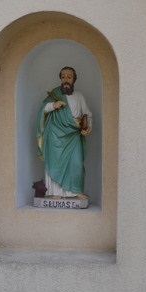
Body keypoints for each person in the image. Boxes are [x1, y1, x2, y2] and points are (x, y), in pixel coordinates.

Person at [36, 66, 92, 199]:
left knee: (77, 163)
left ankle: (76, 191)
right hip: (55, 134)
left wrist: (88, 127)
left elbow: (87, 114)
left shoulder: (79, 96)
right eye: (63, 77)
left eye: (69, 77)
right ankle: (56, 193)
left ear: (74, 79)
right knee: (55, 163)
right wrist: (53, 105)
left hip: (74, 134)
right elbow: (42, 110)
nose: (66, 80)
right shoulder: (55, 94)